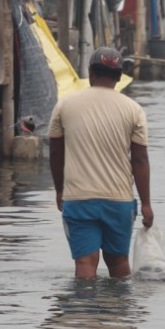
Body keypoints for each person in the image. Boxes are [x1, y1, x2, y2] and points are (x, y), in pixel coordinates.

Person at [49, 47, 153, 279]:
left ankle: (84, 302)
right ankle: (119, 303)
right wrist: (146, 204)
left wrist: (59, 190)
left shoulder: (64, 105)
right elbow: (139, 159)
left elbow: (55, 154)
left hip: (78, 199)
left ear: (91, 73)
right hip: (119, 201)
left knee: (85, 262)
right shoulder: (134, 110)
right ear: (119, 76)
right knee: (118, 262)